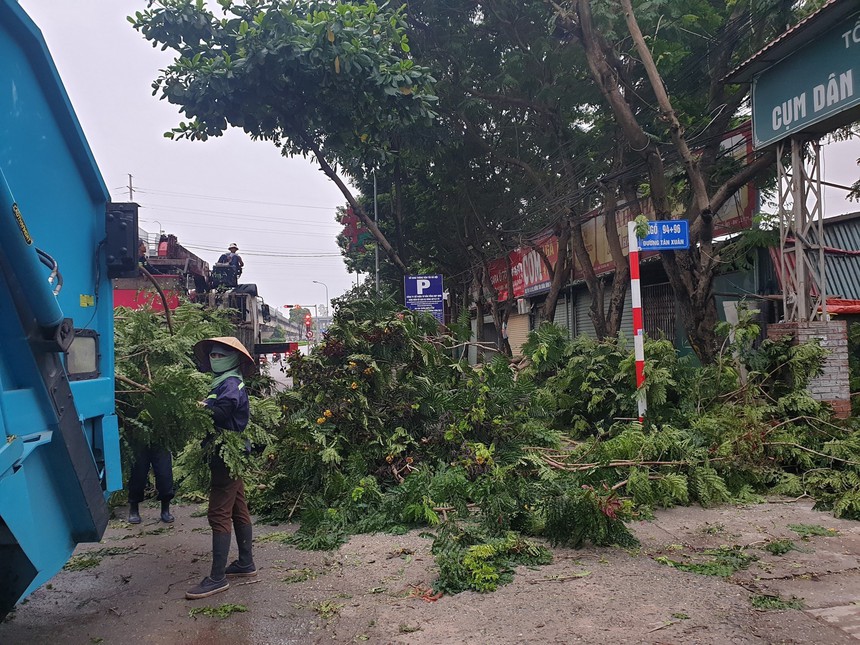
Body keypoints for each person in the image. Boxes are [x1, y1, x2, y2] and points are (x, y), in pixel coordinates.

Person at [185, 336, 257, 600]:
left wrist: (199, 409)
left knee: (218, 513)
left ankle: (217, 578)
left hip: (228, 455)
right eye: (212, 356)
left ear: (233, 359)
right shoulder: (223, 382)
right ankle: (246, 563)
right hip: (230, 454)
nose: (215, 359)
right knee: (238, 507)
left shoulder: (230, 384)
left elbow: (223, 412)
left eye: (219, 356)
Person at [127, 443, 174, 524]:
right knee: (138, 474)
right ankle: (134, 508)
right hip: (138, 439)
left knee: (164, 473)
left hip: (160, 438)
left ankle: (165, 509)